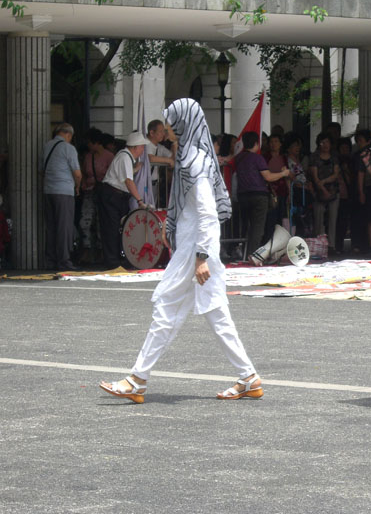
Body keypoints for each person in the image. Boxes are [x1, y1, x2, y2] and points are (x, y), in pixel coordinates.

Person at [100, 98, 263, 403]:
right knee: (212, 313)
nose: (168, 128)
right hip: (196, 248)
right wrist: (174, 226)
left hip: (195, 251)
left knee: (170, 310)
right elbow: (195, 209)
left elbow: (207, 212)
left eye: (172, 122)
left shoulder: (193, 160)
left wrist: (200, 257)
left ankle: (138, 379)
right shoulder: (193, 155)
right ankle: (248, 377)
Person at [97, 131, 149, 268]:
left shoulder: (125, 157)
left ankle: (117, 260)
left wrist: (135, 169)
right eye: (142, 147)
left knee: (119, 228)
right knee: (112, 229)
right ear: (135, 147)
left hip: (117, 195)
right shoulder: (125, 157)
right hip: (112, 195)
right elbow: (128, 181)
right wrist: (139, 200)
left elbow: (124, 175)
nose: (142, 150)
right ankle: (112, 262)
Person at [234, 131, 289, 256]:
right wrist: (283, 173)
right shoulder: (258, 158)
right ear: (256, 143)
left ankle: (242, 251)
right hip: (258, 196)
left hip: (242, 196)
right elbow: (268, 177)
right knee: (257, 228)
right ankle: (253, 255)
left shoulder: (239, 158)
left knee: (246, 225)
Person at [41, 123, 82, 270]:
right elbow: (77, 173)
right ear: (68, 135)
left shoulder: (46, 146)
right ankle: (64, 261)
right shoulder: (68, 148)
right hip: (64, 191)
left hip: (48, 190)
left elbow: (41, 169)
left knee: (51, 226)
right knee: (64, 227)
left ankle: (50, 260)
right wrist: (77, 186)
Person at [78, 127, 114, 264]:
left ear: (95, 142)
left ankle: (100, 250)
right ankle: (87, 248)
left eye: (89, 142)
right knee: (85, 221)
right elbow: (84, 172)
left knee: (101, 222)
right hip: (90, 191)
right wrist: (83, 183)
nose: (88, 145)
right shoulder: (88, 156)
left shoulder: (109, 157)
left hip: (104, 193)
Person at [309, 132, 340, 251]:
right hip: (318, 192)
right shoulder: (314, 157)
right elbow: (315, 177)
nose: (325, 145)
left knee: (333, 218)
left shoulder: (334, 156)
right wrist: (323, 189)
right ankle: (319, 245)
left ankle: (331, 245)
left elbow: (336, 174)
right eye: (322, 142)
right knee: (318, 218)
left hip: (333, 190)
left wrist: (325, 182)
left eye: (327, 142)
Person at [145, 119, 175, 207]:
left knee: (151, 209)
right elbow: (150, 158)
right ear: (152, 133)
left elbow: (173, 158)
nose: (163, 134)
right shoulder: (145, 144)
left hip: (154, 184)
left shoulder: (159, 147)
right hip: (144, 184)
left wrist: (174, 142)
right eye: (161, 131)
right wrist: (168, 161)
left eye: (164, 131)